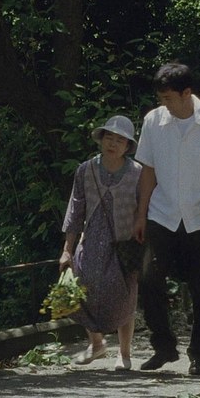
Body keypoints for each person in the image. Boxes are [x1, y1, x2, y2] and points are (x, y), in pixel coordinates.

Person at [132, 62, 200, 375]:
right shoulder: (153, 121)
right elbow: (148, 172)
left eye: (168, 98)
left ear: (186, 93)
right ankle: (164, 346)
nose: (164, 104)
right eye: (160, 98)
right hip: (162, 212)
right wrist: (140, 215)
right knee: (149, 279)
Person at [60, 115, 142, 371]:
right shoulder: (85, 170)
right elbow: (75, 211)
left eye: (120, 140)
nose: (113, 144)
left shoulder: (138, 173)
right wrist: (67, 250)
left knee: (125, 295)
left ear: (127, 146)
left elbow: (146, 210)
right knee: (83, 290)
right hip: (91, 241)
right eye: (109, 137)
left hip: (124, 243)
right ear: (101, 139)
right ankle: (96, 343)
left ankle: (124, 353)